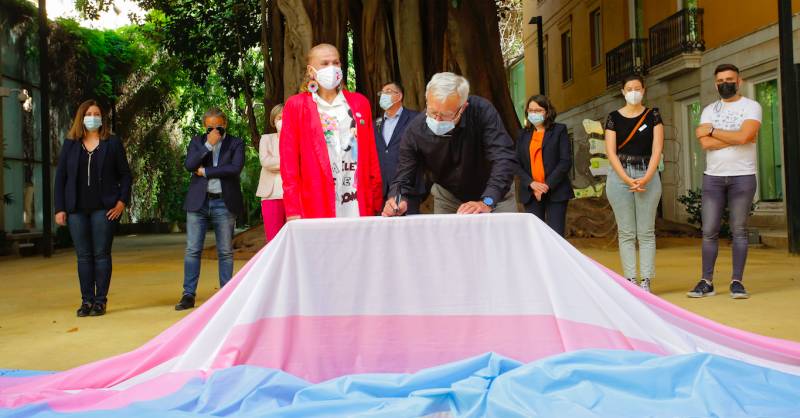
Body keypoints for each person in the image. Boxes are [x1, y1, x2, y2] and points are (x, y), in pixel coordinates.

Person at [383, 72, 517, 216]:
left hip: (495, 194)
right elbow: (404, 175)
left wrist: (488, 201)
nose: (438, 120)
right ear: (427, 101)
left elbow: (503, 157)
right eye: (433, 112)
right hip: (448, 197)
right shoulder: (415, 130)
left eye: (446, 115)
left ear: (463, 107)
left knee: (501, 237)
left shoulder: (481, 111)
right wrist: (397, 199)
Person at [280, 43, 383, 219]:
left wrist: (375, 200)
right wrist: (293, 209)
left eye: (336, 63)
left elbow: (371, 154)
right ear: (311, 71)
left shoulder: (359, 103)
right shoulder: (296, 105)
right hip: (317, 200)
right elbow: (289, 163)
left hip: (356, 197)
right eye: (325, 63)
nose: (332, 68)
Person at [687, 64, 761, 299]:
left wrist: (714, 131)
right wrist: (737, 137)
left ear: (739, 81)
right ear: (715, 84)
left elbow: (745, 135)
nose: (724, 84)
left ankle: (737, 282)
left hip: (743, 176)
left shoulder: (752, 106)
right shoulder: (708, 110)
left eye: (729, 79)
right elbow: (705, 143)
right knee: (709, 231)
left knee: (739, 230)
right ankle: (706, 281)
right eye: (720, 81)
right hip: (714, 178)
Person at [54, 100, 132, 317]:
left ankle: (100, 301)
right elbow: (61, 178)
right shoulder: (70, 144)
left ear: (102, 118)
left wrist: (121, 202)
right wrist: (59, 208)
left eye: (96, 113)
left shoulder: (112, 143)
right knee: (84, 256)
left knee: (101, 254)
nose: (92, 117)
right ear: (81, 117)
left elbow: (125, 175)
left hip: (104, 208)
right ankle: (86, 300)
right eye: (88, 113)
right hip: (76, 209)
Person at [175, 108, 245, 311]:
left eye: (219, 127)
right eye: (210, 128)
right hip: (199, 202)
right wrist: (208, 145)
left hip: (224, 202)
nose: (215, 131)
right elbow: (189, 164)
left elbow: (234, 169)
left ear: (226, 124)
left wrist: (205, 171)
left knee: (225, 251)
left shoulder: (236, 143)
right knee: (192, 250)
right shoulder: (198, 142)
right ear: (205, 127)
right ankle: (188, 294)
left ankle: (226, 294)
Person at [604, 74, 664, 293]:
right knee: (627, 232)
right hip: (620, 174)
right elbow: (610, 152)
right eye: (629, 89)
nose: (633, 92)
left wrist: (647, 177)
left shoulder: (653, 115)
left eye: (637, 88)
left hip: (647, 172)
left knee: (646, 232)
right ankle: (630, 280)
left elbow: (657, 148)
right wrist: (627, 178)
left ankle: (646, 280)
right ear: (623, 92)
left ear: (644, 90)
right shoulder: (613, 117)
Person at [516, 95, 574, 236]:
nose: (534, 114)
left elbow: (565, 161)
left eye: (538, 110)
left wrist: (546, 185)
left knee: (556, 236)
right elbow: (515, 163)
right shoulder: (522, 135)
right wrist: (532, 183)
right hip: (531, 193)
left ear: (547, 112)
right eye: (531, 110)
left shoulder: (559, 130)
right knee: (535, 236)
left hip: (556, 191)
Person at [374, 81, 425, 214]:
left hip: (408, 188)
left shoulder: (415, 118)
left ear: (399, 96)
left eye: (388, 91)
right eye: (381, 93)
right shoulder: (376, 123)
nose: (383, 95)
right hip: (383, 189)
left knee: (409, 231)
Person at [256, 104, 286, 242]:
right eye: (279, 118)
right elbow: (266, 162)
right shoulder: (266, 139)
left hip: (294, 195)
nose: (282, 120)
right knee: (273, 239)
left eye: (286, 117)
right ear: (273, 121)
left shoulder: (299, 139)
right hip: (271, 195)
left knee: (294, 238)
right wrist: (288, 161)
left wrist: (277, 163)